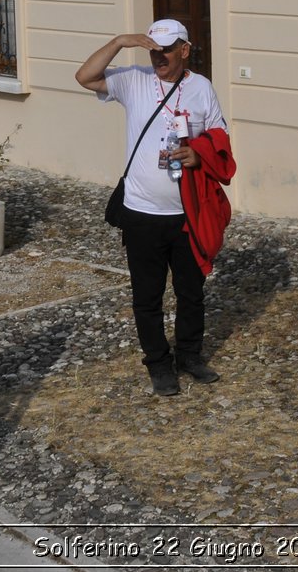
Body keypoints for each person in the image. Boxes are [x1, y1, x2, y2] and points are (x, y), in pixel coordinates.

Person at [75, 20, 227, 396]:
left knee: (192, 292)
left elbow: (218, 138)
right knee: (148, 296)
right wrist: (119, 40)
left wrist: (197, 153)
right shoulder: (134, 79)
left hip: (187, 214)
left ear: (185, 50)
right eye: (153, 50)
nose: (158, 56)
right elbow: (85, 76)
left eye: (167, 50)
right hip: (142, 212)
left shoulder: (201, 88)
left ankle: (190, 356)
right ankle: (158, 364)